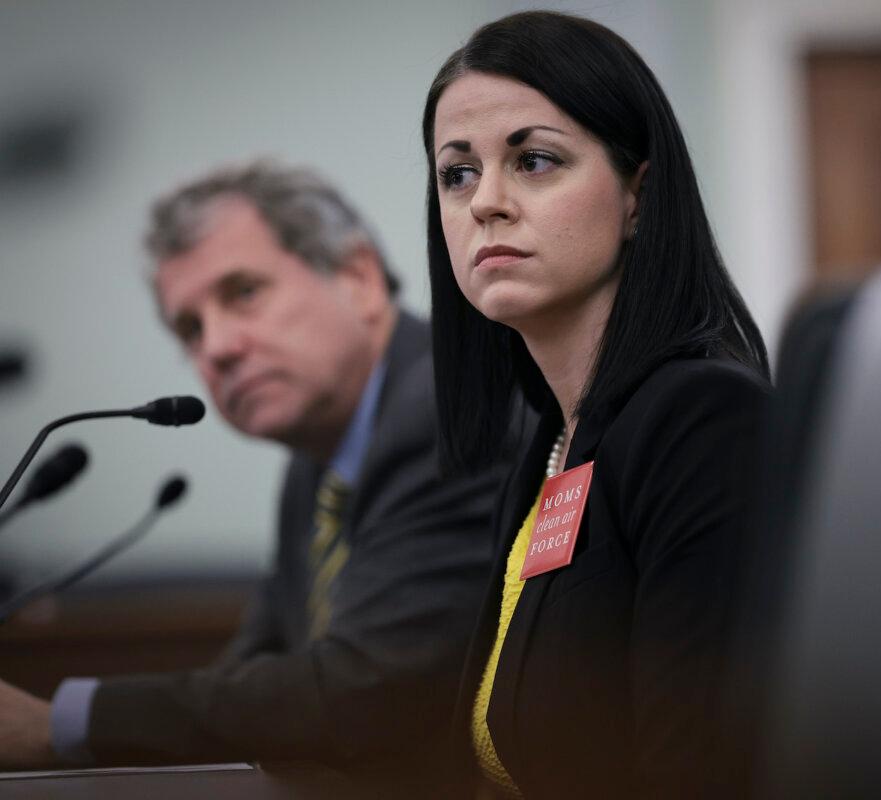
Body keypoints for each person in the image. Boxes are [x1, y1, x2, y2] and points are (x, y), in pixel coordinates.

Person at [0, 162, 509, 786]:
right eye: (190, 328)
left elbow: (369, 689)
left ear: (357, 278)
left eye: (242, 292)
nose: (215, 348)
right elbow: (251, 676)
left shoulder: (449, 403)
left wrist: (61, 723)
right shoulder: (317, 464)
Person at [423, 12, 771, 798]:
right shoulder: (549, 445)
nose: (486, 202)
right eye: (457, 173)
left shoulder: (701, 420)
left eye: (535, 160)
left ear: (638, 197)